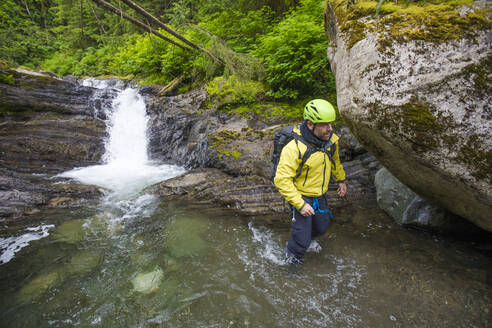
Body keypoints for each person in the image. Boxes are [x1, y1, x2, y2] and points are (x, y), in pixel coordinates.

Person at [273, 99, 347, 267]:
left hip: (319, 195)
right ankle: (290, 267)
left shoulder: (330, 143)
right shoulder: (294, 148)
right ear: (310, 124)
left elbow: (335, 162)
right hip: (300, 196)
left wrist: (341, 180)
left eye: (331, 124)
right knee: (301, 239)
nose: (330, 128)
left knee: (321, 227)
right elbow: (282, 180)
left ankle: (307, 238)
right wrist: (300, 204)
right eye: (325, 125)